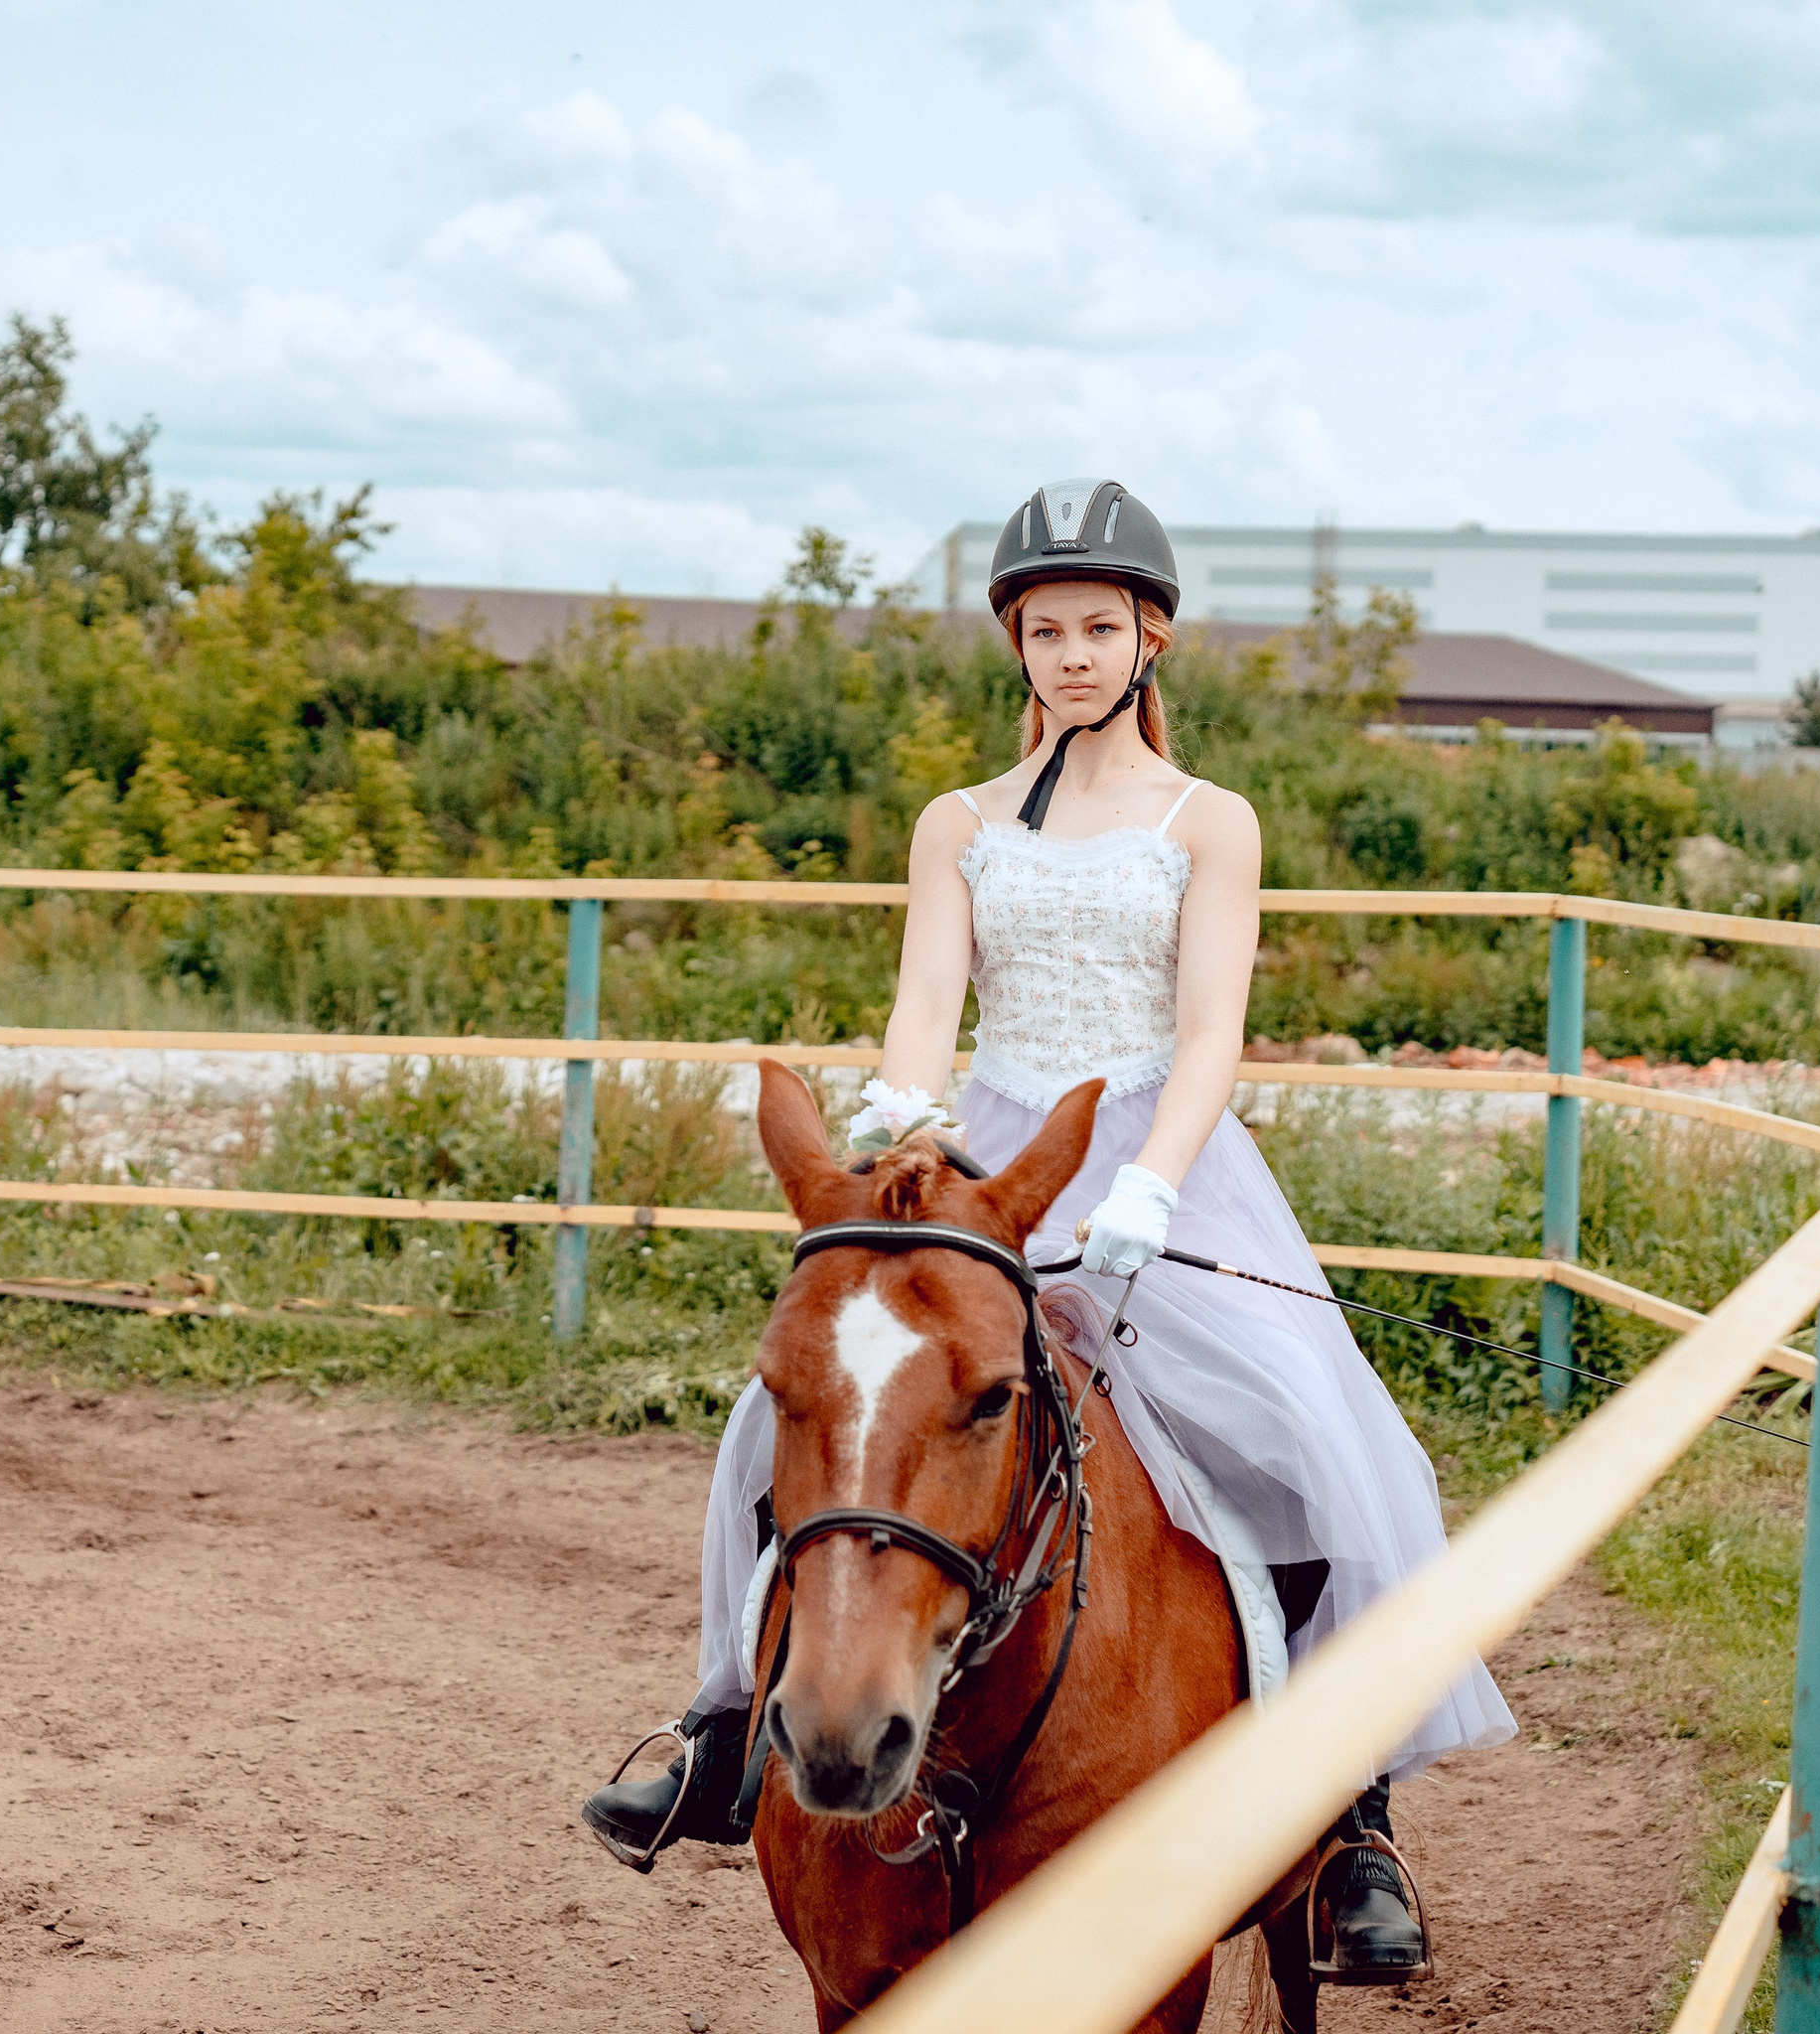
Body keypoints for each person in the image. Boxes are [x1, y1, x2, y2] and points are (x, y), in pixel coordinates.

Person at [582, 479, 1514, 1979]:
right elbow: (923, 1009)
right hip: (987, 1159)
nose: (1072, 654)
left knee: (1325, 1444)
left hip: (1163, 1161)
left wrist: (1150, 1178)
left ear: (1149, 638)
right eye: (1044, 630)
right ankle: (717, 1725)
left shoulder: (1210, 821)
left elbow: (1210, 1027)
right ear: (1016, 647)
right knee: (784, 1431)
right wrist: (899, 1127)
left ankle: (1349, 1819)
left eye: (1099, 626)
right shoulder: (957, 823)